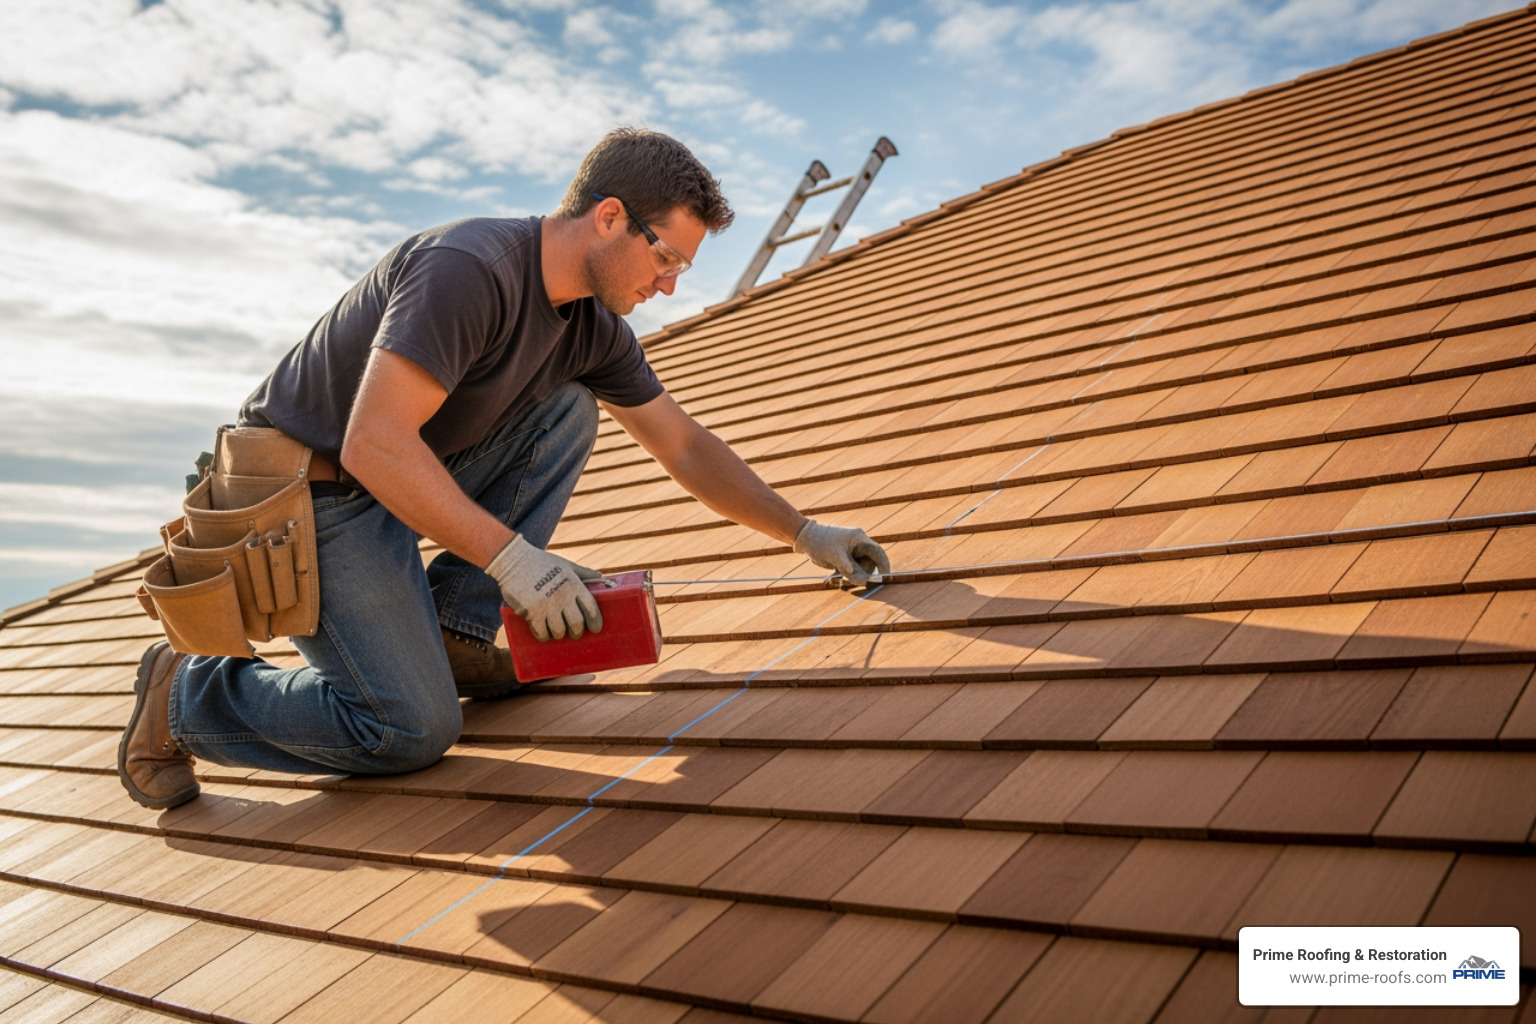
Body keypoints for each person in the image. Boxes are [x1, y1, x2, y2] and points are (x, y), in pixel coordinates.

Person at [118, 128, 891, 810]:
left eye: (682, 268)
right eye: (664, 257)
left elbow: (682, 444)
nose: (669, 285)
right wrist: (515, 562)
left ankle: (455, 629)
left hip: (398, 478)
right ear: (611, 216)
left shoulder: (593, 327)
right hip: (311, 499)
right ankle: (186, 696)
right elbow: (373, 445)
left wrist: (803, 531)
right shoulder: (468, 269)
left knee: (568, 411)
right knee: (407, 729)